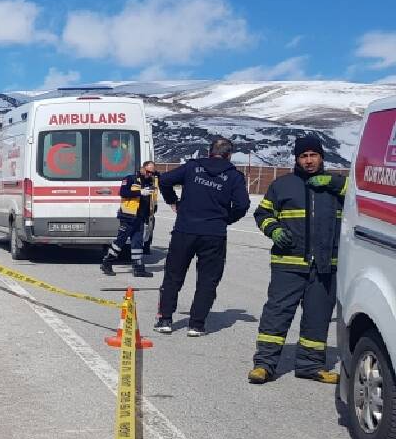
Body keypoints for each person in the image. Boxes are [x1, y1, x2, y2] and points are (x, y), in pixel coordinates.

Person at [247, 136, 347, 385]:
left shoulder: (335, 187)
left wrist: (335, 183)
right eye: (304, 156)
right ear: (297, 159)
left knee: (318, 316)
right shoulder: (283, 185)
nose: (309, 160)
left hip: (325, 265)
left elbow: (361, 197)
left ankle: (310, 366)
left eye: (313, 155)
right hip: (288, 264)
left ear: (322, 157)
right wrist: (273, 230)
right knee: (277, 313)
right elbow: (263, 213)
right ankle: (265, 364)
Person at [153, 137, 251, 336]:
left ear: (209, 152)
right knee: (208, 280)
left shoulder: (192, 167)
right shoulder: (233, 176)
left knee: (173, 275)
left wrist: (174, 202)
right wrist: (226, 219)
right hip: (213, 233)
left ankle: (165, 319)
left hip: (185, 229)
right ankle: (196, 324)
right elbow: (242, 205)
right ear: (228, 155)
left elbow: (163, 180)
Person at [101, 161, 158, 278]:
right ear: (142, 169)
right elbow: (123, 192)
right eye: (148, 172)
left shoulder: (150, 181)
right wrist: (140, 192)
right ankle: (107, 263)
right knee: (120, 242)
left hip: (140, 218)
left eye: (152, 173)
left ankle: (138, 269)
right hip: (128, 216)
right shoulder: (130, 179)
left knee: (137, 244)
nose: (149, 174)